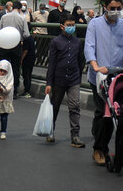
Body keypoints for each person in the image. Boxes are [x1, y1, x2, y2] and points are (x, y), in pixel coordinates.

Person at [84, 0, 123, 165]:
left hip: (119, 76)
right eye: (112, 8)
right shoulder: (94, 24)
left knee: (119, 112)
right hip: (99, 76)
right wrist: (95, 65)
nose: (115, 11)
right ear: (105, 7)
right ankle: (99, 149)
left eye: (118, 8)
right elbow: (89, 46)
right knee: (104, 113)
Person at [44, 13, 85, 147]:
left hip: (73, 79)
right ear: (62, 26)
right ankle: (50, 131)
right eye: (68, 25)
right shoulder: (56, 42)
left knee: (74, 106)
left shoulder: (77, 42)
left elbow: (81, 61)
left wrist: (78, 78)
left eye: (73, 25)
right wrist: (49, 83)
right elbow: (52, 63)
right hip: (58, 80)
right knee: (54, 106)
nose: (71, 28)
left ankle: (75, 135)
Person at [0, 1, 29, 98]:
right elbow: (26, 34)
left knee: (3, 67)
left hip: (4, 45)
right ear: (20, 9)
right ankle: (14, 91)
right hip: (16, 45)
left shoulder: (4, 17)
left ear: (11, 7)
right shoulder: (22, 18)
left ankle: (1, 88)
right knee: (15, 68)